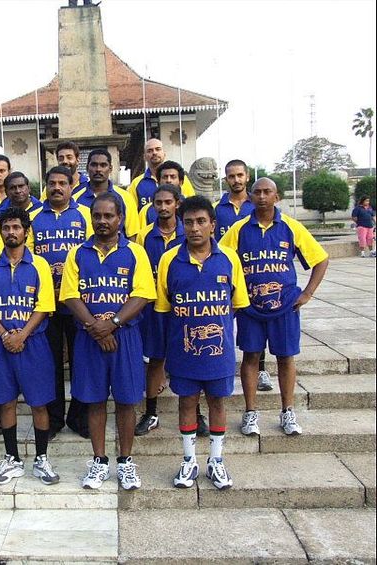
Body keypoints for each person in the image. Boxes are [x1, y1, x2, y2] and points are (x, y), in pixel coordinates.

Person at [60, 193, 156, 490]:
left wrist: (112, 324)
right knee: (94, 401)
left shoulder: (136, 252)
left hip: (125, 337)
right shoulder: (77, 253)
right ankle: (99, 461)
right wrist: (95, 328)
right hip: (89, 337)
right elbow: (70, 295)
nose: (102, 221)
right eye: (97, 216)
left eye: (108, 216)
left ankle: (125, 462)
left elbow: (142, 294)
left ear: (120, 218)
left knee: (126, 401)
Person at [220, 178, 329, 437]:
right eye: (257, 192)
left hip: (285, 307)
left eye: (267, 192)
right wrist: (232, 297)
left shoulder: (291, 226)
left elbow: (321, 259)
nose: (261, 196)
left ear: (276, 197)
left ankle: (287, 411)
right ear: (250, 197)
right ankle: (250, 412)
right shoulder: (238, 229)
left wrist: (307, 293)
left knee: (285, 357)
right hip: (251, 308)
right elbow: (220, 259)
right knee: (250, 357)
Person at [155, 196, 249, 490]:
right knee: (187, 402)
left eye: (200, 221)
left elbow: (237, 304)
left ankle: (216, 460)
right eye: (188, 222)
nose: (194, 228)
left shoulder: (229, 259)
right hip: (183, 351)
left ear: (213, 225)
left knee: (217, 402)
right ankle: (189, 460)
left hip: (219, 352)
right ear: (181, 225)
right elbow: (163, 309)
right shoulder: (169, 260)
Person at [0, 207, 60, 485]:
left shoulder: (40, 265)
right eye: (6, 228)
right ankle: (12, 458)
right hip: (0, 343)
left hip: (33, 342)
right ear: (0, 232)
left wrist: (22, 334)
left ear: (26, 231)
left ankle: (41, 458)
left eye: (16, 227)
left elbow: (44, 306)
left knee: (39, 403)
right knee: (6, 402)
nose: (11, 232)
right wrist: (5, 336)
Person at [29, 165, 93, 439]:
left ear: (71, 186)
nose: (57, 187)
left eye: (62, 183)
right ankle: (54, 419)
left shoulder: (86, 215)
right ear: (46, 187)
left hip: (80, 304)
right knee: (50, 363)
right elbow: (29, 259)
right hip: (46, 305)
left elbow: (93, 254)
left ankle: (79, 418)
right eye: (52, 183)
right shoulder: (33, 218)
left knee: (82, 361)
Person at [214, 160, 269, 392]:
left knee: (259, 324)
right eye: (231, 176)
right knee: (224, 324)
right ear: (225, 179)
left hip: (253, 276)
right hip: (226, 276)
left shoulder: (257, 205)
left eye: (239, 175)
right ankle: (219, 365)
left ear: (247, 176)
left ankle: (262, 370)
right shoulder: (217, 209)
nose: (236, 180)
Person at [134, 184, 185, 437]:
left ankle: (196, 413)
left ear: (177, 203)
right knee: (155, 360)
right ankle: (151, 412)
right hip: (153, 309)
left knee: (187, 359)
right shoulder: (144, 236)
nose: (163, 207)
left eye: (168, 202)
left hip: (184, 307)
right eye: (158, 203)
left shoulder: (189, 232)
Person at [73, 149, 139, 238]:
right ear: (87, 168)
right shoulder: (75, 199)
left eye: (103, 165)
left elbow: (132, 235)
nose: (98, 169)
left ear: (110, 168)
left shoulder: (126, 198)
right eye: (94, 165)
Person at [126, 138, 194, 213]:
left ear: (164, 154)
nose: (154, 153)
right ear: (144, 157)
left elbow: (192, 206)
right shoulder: (136, 184)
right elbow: (130, 211)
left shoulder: (181, 179)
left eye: (158, 149)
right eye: (150, 151)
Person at [137, 160, 187, 231]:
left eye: (173, 177)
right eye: (165, 177)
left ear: (181, 182)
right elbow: (142, 235)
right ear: (158, 182)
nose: (169, 180)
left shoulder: (190, 207)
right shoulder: (146, 211)